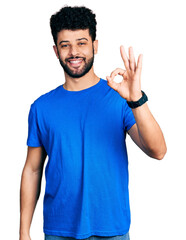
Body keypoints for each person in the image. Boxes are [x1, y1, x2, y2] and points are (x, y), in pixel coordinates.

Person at [19, 6, 167, 240]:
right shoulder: (41, 107)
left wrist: (137, 99)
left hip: (112, 231)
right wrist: (23, 231)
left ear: (94, 46)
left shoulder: (120, 98)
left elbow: (158, 151)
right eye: (65, 45)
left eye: (81, 43)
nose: (74, 52)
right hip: (59, 231)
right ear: (56, 51)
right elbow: (32, 169)